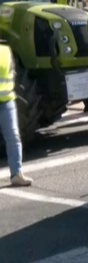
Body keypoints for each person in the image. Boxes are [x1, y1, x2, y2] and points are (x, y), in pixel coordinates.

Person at [1, 42, 31, 187]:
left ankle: (16, 174)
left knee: (13, 136)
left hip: (7, 101)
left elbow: (12, 73)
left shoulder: (6, 51)